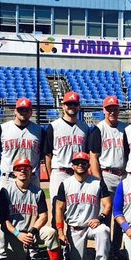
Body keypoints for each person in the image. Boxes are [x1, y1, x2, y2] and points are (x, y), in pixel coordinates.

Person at [0, 158, 68, 260]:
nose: (22, 171)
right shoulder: (5, 191)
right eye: (19, 169)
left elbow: (43, 216)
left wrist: (31, 232)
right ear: (14, 172)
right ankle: (25, 259)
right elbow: (3, 220)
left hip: (32, 232)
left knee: (50, 232)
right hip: (15, 234)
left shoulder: (38, 192)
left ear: (31, 171)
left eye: (26, 168)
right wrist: (18, 234)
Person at [56, 152, 112, 260]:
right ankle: (90, 253)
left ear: (88, 164)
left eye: (83, 162)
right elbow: (59, 208)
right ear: (72, 165)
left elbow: (108, 204)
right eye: (77, 162)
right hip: (75, 228)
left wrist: (100, 218)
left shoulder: (98, 183)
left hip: (93, 226)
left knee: (104, 230)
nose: (80, 165)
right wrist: (60, 231)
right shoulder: (65, 183)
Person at [88, 95, 127, 260]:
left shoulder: (126, 129)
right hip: (106, 174)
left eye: (115, 108)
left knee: (121, 216)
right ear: (104, 110)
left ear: (119, 110)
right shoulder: (99, 129)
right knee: (105, 214)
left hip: (123, 175)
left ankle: (116, 250)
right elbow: (93, 157)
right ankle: (104, 253)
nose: (112, 111)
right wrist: (99, 181)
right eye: (109, 108)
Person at [44, 91, 89, 225]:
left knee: (76, 208)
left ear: (79, 106)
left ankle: (73, 243)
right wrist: (51, 175)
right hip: (59, 171)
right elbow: (47, 154)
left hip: (78, 173)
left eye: (74, 104)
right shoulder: (53, 126)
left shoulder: (84, 127)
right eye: (68, 104)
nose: (71, 106)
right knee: (57, 208)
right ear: (63, 106)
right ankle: (56, 243)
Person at [0, 98, 44, 193]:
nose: (23, 112)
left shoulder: (39, 131)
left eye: (26, 110)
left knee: (33, 207)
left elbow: (45, 156)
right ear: (15, 111)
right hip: (8, 178)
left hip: (31, 178)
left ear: (31, 112)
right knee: (5, 207)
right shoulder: (2, 129)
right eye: (20, 109)